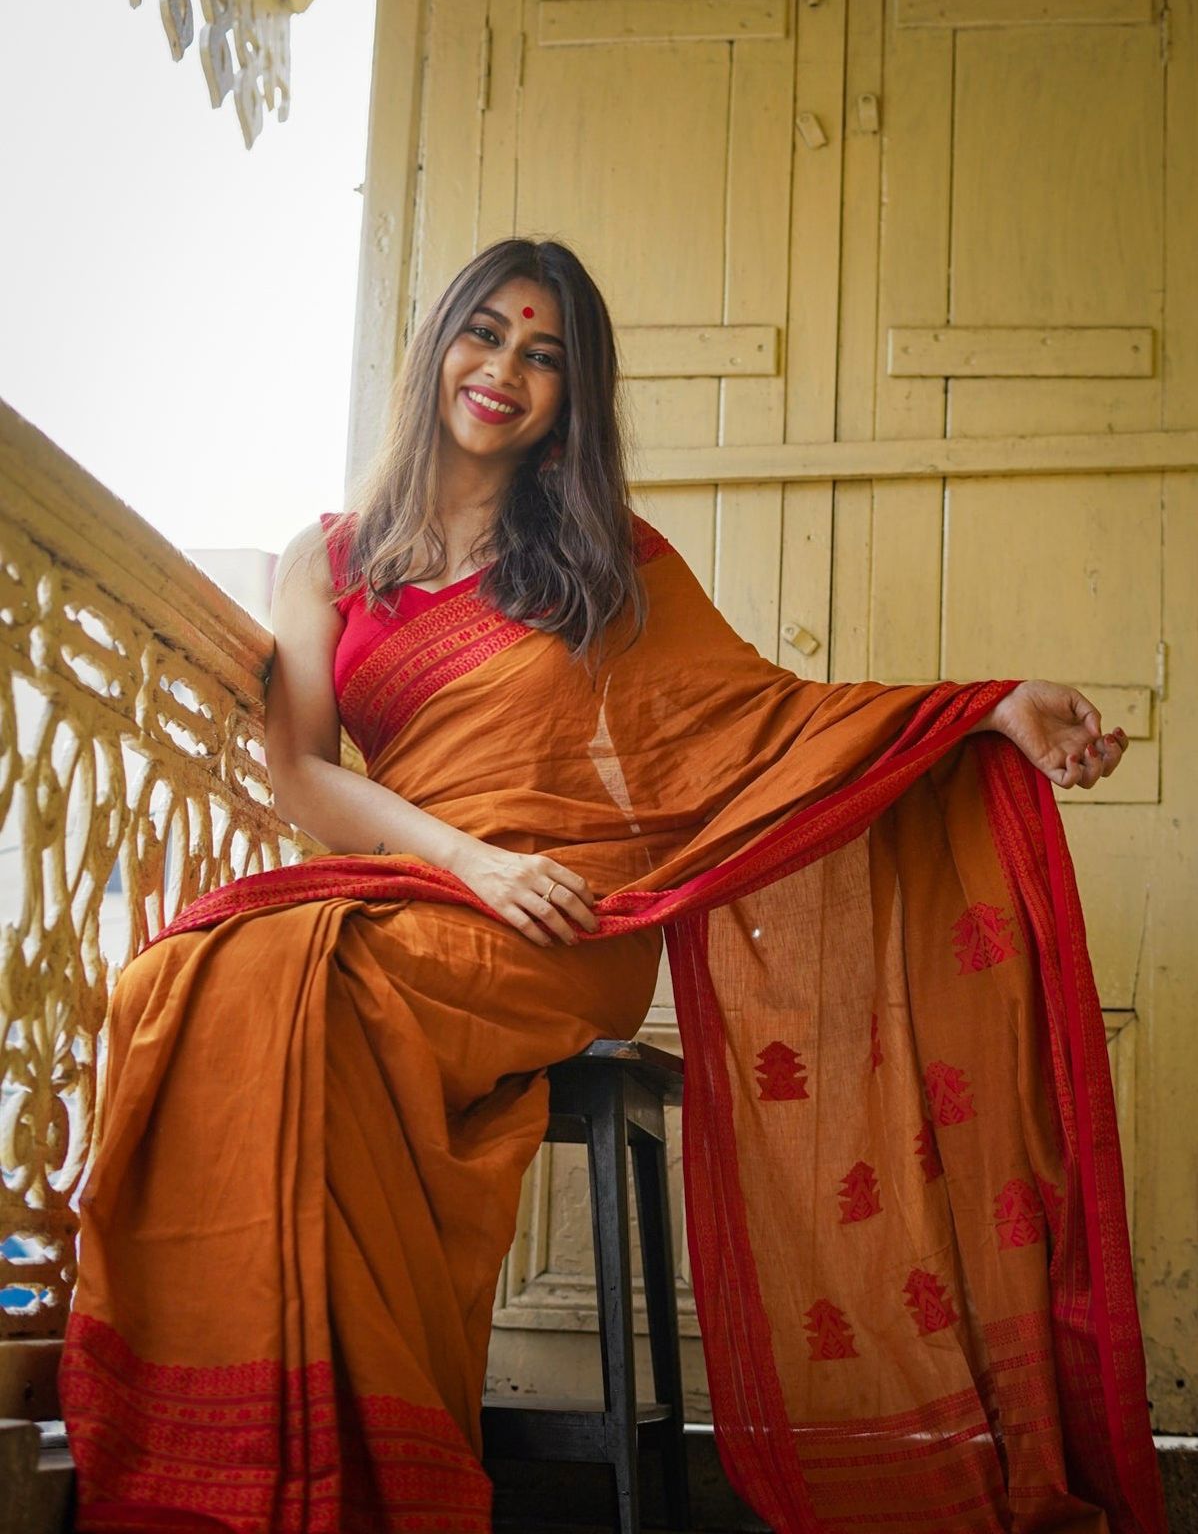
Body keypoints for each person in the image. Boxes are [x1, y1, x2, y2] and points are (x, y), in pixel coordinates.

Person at [60, 237, 1165, 1534]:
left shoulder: (599, 558)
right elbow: (301, 768)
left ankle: (343, 1468)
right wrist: (465, 858)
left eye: (545, 357)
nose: (504, 370)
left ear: (570, 401)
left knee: (299, 992)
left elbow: (763, 721)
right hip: (424, 884)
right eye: (484, 334)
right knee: (202, 978)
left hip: (563, 914)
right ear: (435, 348)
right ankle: (294, 1460)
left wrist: (981, 712)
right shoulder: (333, 560)